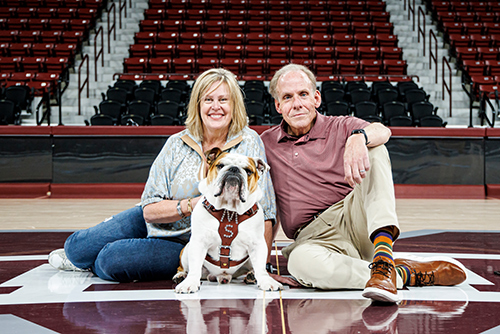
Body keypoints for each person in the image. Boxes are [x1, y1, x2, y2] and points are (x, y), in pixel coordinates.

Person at [261, 63, 467, 303]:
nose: (297, 103)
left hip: (354, 220)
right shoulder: (266, 143)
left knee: (375, 149)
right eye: (287, 97)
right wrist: (262, 265)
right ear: (277, 105)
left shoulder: (340, 125)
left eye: (303, 94)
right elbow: (266, 207)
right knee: (299, 264)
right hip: (312, 237)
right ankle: (397, 272)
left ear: (316, 98)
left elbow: (383, 131)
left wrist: (360, 138)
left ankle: (382, 253)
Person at [48, 68, 276, 282]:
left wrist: (262, 269)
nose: (215, 106)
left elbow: (265, 211)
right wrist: (193, 204)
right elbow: (148, 209)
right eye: (208, 99)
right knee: (76, 247)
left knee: (110, 260)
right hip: (160, 217)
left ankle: (93, 264)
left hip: (189, 242)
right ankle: (84, 258)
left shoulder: (249, 143)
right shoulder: (176, 143)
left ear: (234, 105)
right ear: (197, 105)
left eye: (223, 100)